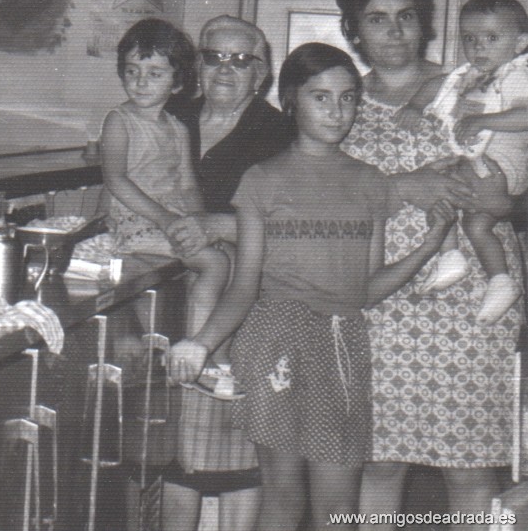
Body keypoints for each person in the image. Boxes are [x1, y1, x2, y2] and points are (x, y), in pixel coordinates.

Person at [169, 42, 456, 530]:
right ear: (291, 101)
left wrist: (428, 248)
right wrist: (201, 342)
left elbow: (364, 292)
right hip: (273, 343)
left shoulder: (370, 182)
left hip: (342, 346)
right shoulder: (262, 180)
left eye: (347, 98)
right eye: (320, 97)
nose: (337, 111)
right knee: (282, 497)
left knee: (338, 508)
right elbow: (244, 285)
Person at [336, 0, 522, 531]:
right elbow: (313, 196)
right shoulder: (338, 98)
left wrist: (500, 195)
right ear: (353, 30)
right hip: (376, 294)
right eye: (377, 19)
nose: (395, 31)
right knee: (378, 460)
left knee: (469, 465)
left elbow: (513, 183)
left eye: (407, 16)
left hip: (470, 298)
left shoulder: (476, 86)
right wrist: (402, 188)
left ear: (425, 25)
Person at [158, 15, 294, 531]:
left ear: (261, 74)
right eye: (214, 57)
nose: (225, 69)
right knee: (168, 446)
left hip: (242, 304)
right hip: (167, 296)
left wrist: (217, 224)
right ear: (197, 66)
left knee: (232, 448)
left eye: (241, 61)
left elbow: (295, 223)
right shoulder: (168, 113)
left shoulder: (281, 131)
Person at [393, 0, 528, 324]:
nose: (479, 46)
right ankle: (501, 280)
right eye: (469, 38)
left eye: (492, 38)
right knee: (477, 226)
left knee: (438, 183)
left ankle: (450, 254)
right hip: (486, 176)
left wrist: (483, 120)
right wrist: (414, 106)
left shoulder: (516, 76)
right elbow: (437, 86)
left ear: (520, 43)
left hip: (498, 169)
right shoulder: (468, 76)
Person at [100, 20, 230, 346]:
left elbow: (187, 185)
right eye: (132, 71)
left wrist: (200, 225)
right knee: (215, 263)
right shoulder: (119, 121)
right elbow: (115, 179)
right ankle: (197, 347)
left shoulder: (178, 129)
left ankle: (190, 340)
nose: (140, 82)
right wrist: (166, 219)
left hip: (169, 222)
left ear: (177, 81)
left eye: (155, 73)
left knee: (225, 252)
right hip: (134, 224)